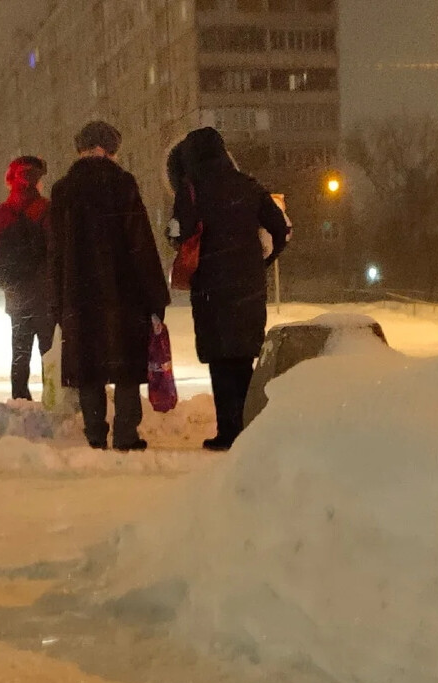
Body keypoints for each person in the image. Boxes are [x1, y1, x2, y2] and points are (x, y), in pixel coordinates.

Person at [48, 121, 170, 451]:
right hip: (124, 296)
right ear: (113, 149)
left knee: (88, 368)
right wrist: (155, 295)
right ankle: (127, 433)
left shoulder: (62, 192)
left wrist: (57, 301)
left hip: (79, 297)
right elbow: (140, 244)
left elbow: (55, 253)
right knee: (126, 366)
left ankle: (95, 434)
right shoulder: (123, 185)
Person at [166, 127, 290, 451]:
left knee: (221, 361)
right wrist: (263, 260)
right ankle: (251, 429)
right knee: (244, 358)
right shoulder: (248, 186)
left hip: (210, 288)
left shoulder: (191, 190)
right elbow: (281, 228)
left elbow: (180, 233)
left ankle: (229, 431)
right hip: (247, 286)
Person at [0, 156, 53, 402]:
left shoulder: (1, 214)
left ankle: (20, 399)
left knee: (20, 354)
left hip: (17, 297)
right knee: (49, 353)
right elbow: (58, 248)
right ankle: (52, 399)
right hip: (45, 297)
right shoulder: (45, 210)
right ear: (35, 181)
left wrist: (5, 282)